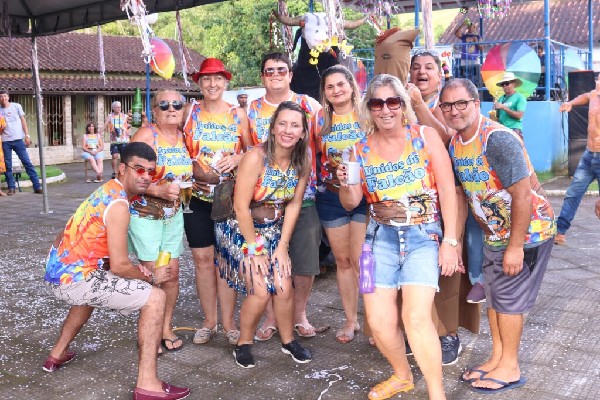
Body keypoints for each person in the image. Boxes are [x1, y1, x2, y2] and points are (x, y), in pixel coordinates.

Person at [338, 74, 459, 400]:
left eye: (392, 101)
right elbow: (350, 203)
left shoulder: (425, 136)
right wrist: (346, 184)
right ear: (369, 108)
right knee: (378, 322)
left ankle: (437, 393)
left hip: (423, 235)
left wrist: (451, 241)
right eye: (377, 103)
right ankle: (402, 375)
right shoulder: (357, 151)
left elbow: (447, 190)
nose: (385, 109)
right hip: (377, 240)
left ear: (403, 105)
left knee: (416, 317)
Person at [42, 142, 190, 400]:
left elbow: (71, 237)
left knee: (94, 289)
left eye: (150, 171)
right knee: (156, 297)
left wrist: (132, 271)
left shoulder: (107, 190)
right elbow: (120, 266)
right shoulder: (119, 205)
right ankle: (148, 384)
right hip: (73, 280)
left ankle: (56, 354)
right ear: (122, 168)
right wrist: (151, 276)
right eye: (139, 169)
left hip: (59, 272)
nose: (145, 177)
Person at [441, 78, 556, 394]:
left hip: (528, 231)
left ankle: (511, 366)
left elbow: (523, 195)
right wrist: (455, 242)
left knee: (508, 300)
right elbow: (463, 196)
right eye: (447, 105)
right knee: (494, 296)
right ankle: (498, 357)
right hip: (494, 233)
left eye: (461, 103)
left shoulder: (497, 139)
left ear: (476, 104)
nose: (454, 110)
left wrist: (515, 247)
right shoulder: (456, 143)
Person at [217, 101, 312, 368]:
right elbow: (240, 207)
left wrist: (282, 247)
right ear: (272, 128)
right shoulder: (255, 157)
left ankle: (288, 341)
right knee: (260, 291)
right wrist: (255, 250)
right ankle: (243, 343)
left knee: (283, 286)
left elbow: (294, 204)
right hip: (240, 228)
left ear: (303, 132)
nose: (288, 130)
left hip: (273, 229)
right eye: (283, 124)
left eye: (295, 125)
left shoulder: (302, 160)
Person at [405, 50, 484, 365]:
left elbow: (447, 139)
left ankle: (448, 334)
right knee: (416, 267)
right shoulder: (399, 103)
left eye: (428, 67)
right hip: (414, 200)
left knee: (449, 267)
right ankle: (419, 327)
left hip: (450, 198)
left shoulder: (447, 105)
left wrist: (419, 105)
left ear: (440, 75)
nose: (421, 72)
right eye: (415, 67)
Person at [247, 52, 324, 340]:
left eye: (281, 69)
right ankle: (272, 316)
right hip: (263, 201)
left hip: (302, 195)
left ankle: (299, 314)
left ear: (290, 74)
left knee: (304, 260)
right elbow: (247, 148)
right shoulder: (252, 109)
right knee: (267, 260)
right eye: (269, 71)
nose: (276, 75)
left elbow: (326, 137)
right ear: (262, 76)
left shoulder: (309, 105)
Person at [182, 58, 249, 346]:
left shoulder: (238, 114)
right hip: (195, 198)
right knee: (202, 260)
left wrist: (238, 157)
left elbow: (254, 151)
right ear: (199, 83)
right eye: (206, 79)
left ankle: (229, 323)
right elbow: (174, 146)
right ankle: (209, 322)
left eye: (218, 78)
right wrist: (188, 172)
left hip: (228, 198)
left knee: (226, 259)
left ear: (226, 82)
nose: (212, 84)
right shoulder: (189, 112)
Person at [128, 90, 193, 352]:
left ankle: (165, 326)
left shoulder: (185, 136)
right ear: (154, 111)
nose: (171, 109)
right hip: (146, 216)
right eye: (164, 105)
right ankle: (149, 333)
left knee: (172, 275)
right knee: (155, 275)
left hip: (173, 216)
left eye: (177, 104)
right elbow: (127, 177)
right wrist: (157, 190)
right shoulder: (146, 136)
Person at [315, 65, 366, 344]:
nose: (336, 90)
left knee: (361, 260)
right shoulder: (319, 119)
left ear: (351, 86)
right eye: (330, 86)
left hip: (364, 197)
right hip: (331, 197)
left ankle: (374, 321)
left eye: (341, 84)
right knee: (343, 262)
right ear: (324, 93)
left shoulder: (367, 114)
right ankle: (350, 320)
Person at [555, 74, 600, 245]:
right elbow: (585, 96)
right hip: (589, 156)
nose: (597, 82)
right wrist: (571, 103)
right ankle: (560, 232)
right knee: (573, 193)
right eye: (597, 79)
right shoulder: (594, 95)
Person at [0, 90, 42, 195]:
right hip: (5, 141)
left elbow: (23, 121)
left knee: (27, 162)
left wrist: (27, 135)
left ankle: (37, 186)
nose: (3, 98)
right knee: (8, 166)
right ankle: (11, 188)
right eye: (1, 96)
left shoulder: (16, 106)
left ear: (8, 97)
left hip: (18, 139)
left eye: (5, 96)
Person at [493, 72, 527, 139]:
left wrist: (503, 107)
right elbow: (497, 117)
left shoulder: (520, 97)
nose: (504, 86)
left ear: (514, 84)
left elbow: (519, 115)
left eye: (507, 83)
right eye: (503, 84)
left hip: (514, 129)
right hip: (501, 129)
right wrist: (494, 112)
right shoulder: (500, 99)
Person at [105, 100, 130, 179]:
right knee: (114, 156)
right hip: (114, 139)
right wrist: (99, 132)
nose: (119, 108)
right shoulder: (110, 116)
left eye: (120, 107)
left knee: (124, 157)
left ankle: (122, 171)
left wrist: (127, 131)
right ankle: (115, 171)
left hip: (124, 140)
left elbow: (130, 125)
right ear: (113, 108)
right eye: (117, 107)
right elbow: (105, 125)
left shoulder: (125, 116)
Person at [453, 19, 482, 84]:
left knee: (475, 77)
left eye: (471, 27)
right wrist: (462, 25)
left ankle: (475, 87)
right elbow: (456, 34)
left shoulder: (478, 37)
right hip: (464, 59)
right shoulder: (464, 36)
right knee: (464, 77)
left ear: (474, 27)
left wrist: (476, 42)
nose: (470, 28)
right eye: (468, 27)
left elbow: (481, 48)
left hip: (474, 59)